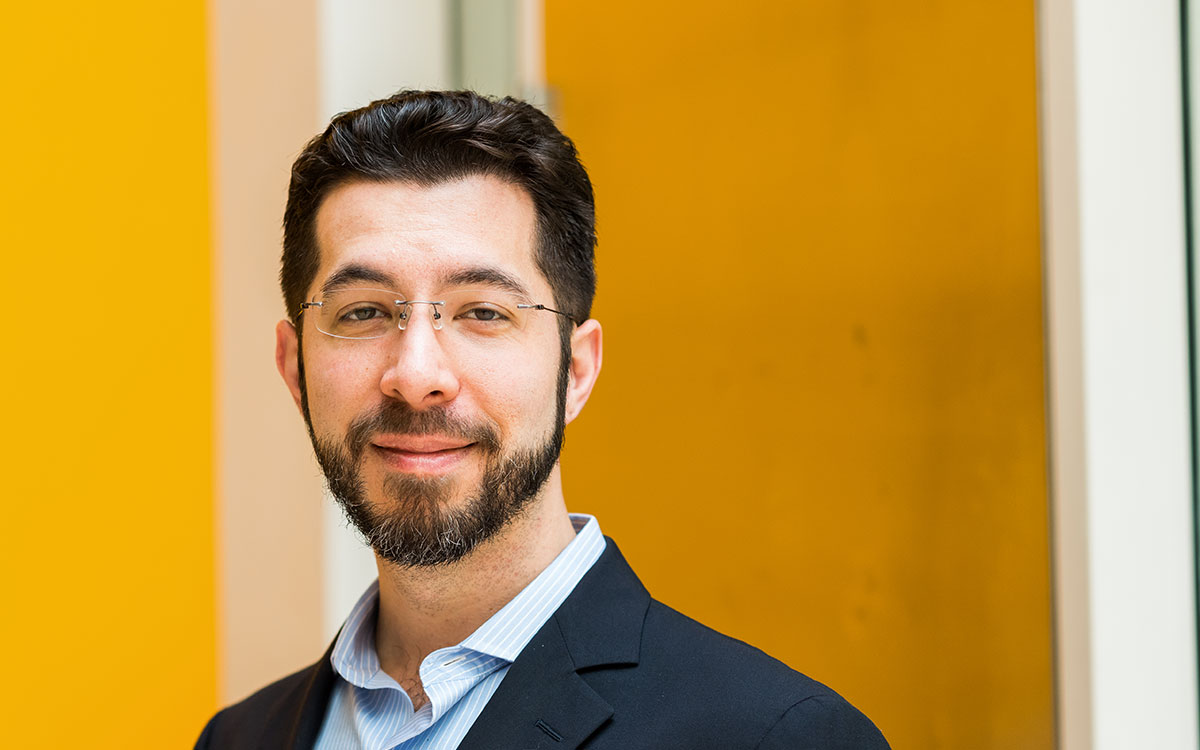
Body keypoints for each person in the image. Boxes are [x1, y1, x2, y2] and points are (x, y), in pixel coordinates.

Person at [195, 90, 889, 749]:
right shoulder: (239, 738)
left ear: (575, 371)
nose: (416, 375)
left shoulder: (776, 737)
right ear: (294, 369)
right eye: (364, 312)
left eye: (483, 312)